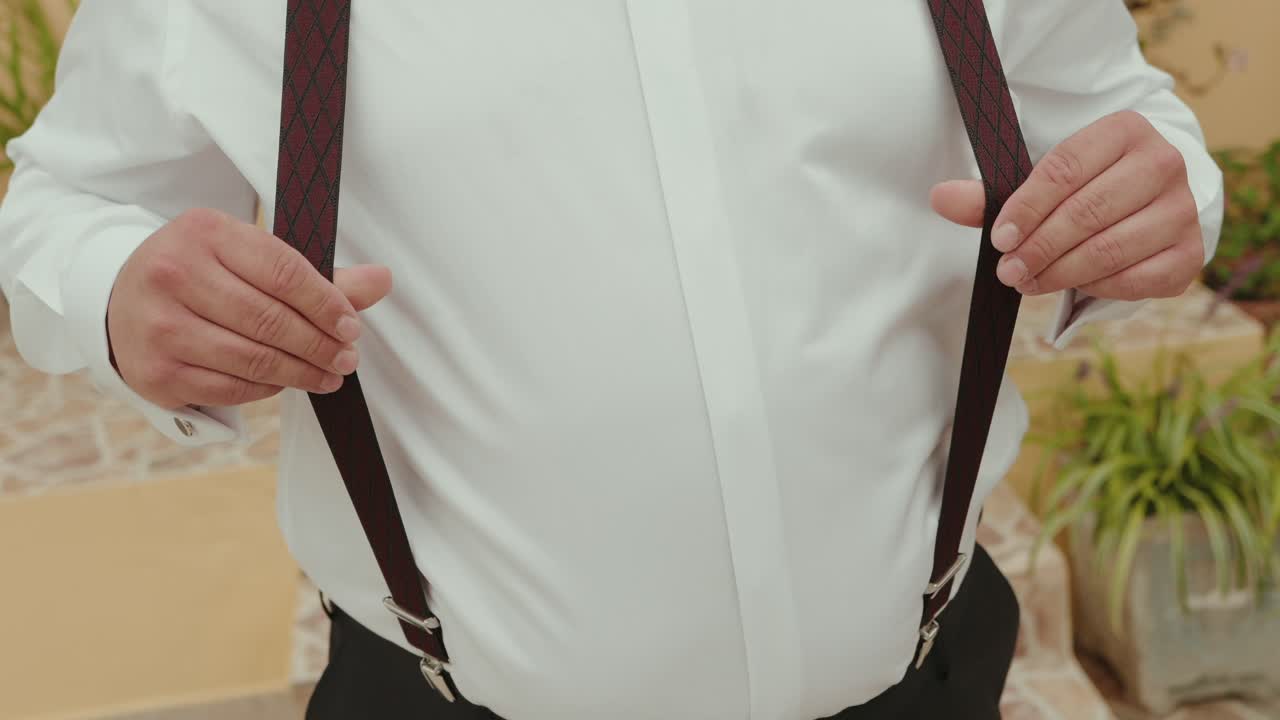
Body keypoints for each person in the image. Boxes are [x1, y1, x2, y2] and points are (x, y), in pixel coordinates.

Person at [0, 2, 1222, 719]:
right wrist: (114, 293)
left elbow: (1113, 111)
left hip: (929, 679)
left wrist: (1163, 196)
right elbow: (68, 203)